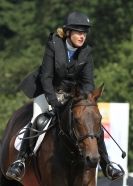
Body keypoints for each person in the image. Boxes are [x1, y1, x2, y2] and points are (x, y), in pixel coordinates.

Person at [6, 11, 124, 182]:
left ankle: (106, 163)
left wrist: (85, 99)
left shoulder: (86, 52)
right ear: (68, 33)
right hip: (47, 90)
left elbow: (88, 82)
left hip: (73, 95)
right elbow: (46, 77)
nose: (82, 36)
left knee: (90, 122)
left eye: (84, 33)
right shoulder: (54, 44)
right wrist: (54, 102)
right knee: (38, 119)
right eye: (78, 32)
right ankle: (20, 161)